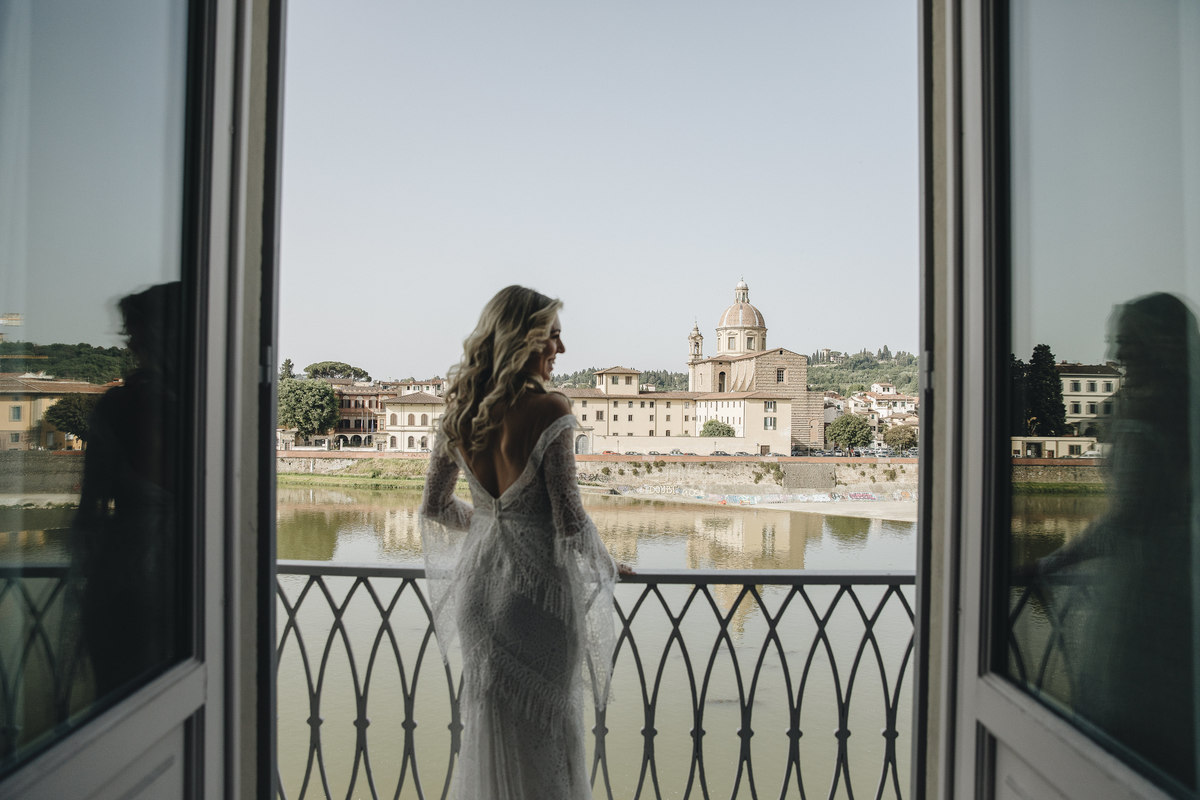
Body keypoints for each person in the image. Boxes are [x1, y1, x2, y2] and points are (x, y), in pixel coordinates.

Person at [419, 285, 628, 799]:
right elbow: (570, 521)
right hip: (536, 600)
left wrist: (491, 522)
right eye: (553, 336)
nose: (561, 349)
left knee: (490, 730)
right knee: (548, 740)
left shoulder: (459, 414)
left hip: (479, 595)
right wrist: (611, 565)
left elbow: (434, 508)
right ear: (525, 339)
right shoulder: (551, 409)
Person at [1032, 292, 1196, 789]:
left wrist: (1053, 562)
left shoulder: (1155, 412)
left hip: (1145, 584)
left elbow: (1124, 520)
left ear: (1155, 344)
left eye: (1125, 341)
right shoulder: (1169, 405)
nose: (1117, 352)